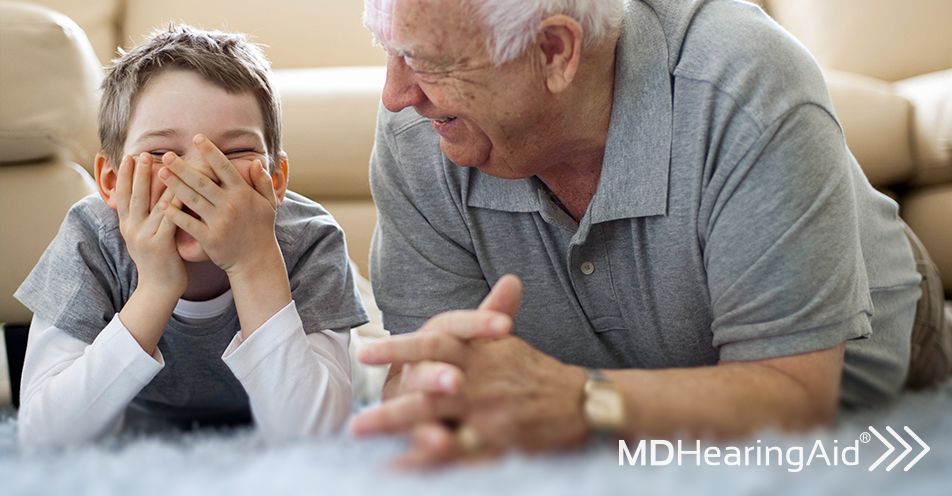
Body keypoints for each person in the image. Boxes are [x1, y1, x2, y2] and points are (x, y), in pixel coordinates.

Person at [351, 0, 952, 467]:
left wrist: (584, 404)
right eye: (389, 50)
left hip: (869, 357)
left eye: (426, 61)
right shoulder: (423, 133)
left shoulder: (745, 81)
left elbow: (795, 401)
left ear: (555, 51)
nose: (395, 95)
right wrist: (432, 398)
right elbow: (425, 370)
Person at [14, 24, 368, 448]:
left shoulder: (310, 239)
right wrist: (157, 287)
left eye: (234, 152)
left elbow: (312, 438)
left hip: (333, 375)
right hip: (148, 416)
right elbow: (42, 439)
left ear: (276, 180)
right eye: (162, 154)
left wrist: (254, 263)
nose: (199, 177)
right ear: (109, 181)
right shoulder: (90, 240)